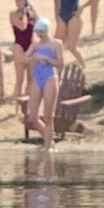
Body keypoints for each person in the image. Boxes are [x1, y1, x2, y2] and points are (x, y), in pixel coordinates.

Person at [25, 18, 64, 147]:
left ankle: (48, 146)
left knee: (48, 116)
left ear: (47, 30)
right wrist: (33, 57)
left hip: (50, 76)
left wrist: (46, 58)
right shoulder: (36, 44)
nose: (40, 34)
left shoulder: (56, 44)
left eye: (42, 31)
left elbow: (60, 64)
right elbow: (24, 59)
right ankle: (50, 141)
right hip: (38, 75)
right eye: (38, 32)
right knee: (33, 118)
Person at [7, 0, 39, 103]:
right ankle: (16, 103)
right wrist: (25, 14)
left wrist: (33, 13)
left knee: (31, 78)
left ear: (25, 0)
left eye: (20, 0)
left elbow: (40, 24)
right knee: (19, 79)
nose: (18, 3)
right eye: (16, 0)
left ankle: (28, 103)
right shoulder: (13, 14)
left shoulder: (31, 11)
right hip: (19, 46)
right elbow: (22, 26)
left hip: (31, 46)